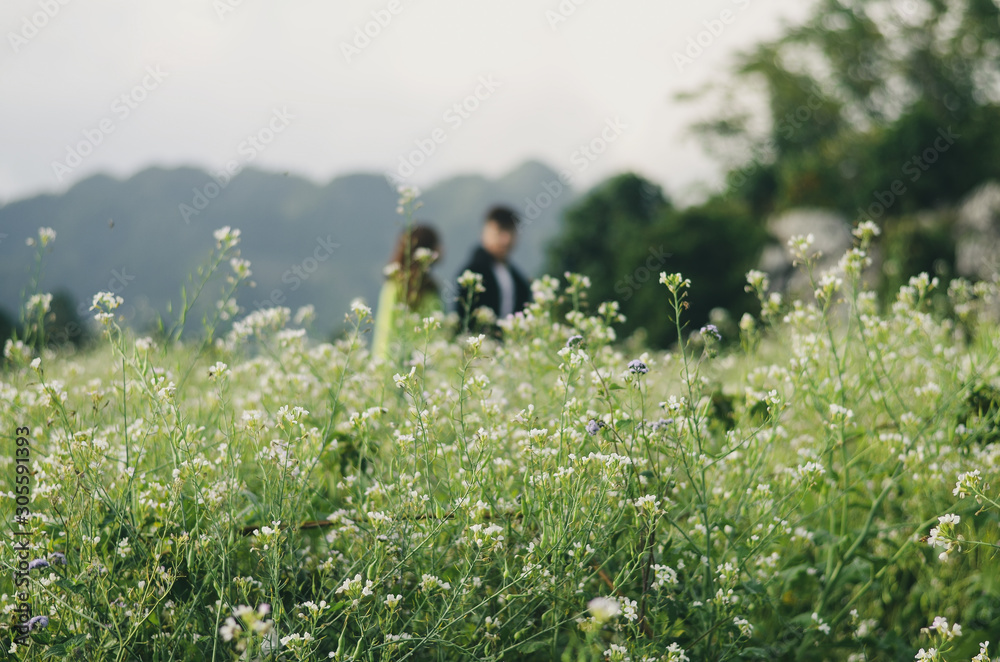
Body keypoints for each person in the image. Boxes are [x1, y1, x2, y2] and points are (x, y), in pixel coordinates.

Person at [455, 205, 532, 333]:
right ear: (484, 233)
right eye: (500, 231)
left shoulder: (518, 279)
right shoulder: (471, 273)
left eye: (511, 232)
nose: (506, 240)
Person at [372, 225, 443, 362]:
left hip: (423, 365)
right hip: (396, 364)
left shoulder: (429, 288)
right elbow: (386, 332)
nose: (441, 249)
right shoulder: (394, 287)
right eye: (437, 245)